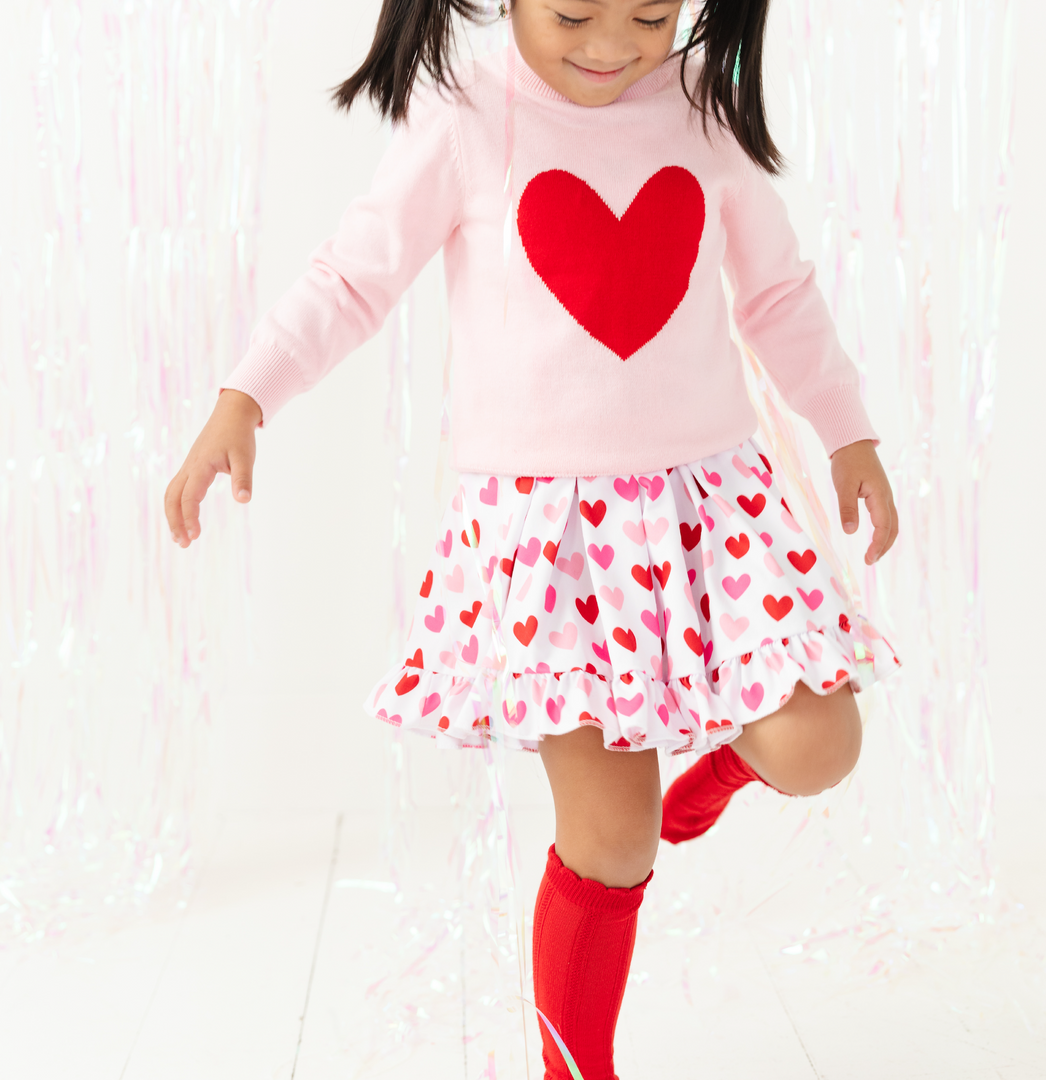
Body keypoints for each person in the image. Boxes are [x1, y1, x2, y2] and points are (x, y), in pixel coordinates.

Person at [164, 0, 900, 1074]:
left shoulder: (701, 114)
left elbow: (778, 295)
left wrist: (849, 434)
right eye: (572, 14)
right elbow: (353, 278)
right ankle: (574, 1065)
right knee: (610, 839)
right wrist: (246, 395)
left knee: (818, 744)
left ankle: (721, 765)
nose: (611, 45)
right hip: (556, 543)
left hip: (714, 514)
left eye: (651, 15)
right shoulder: (466, 122)